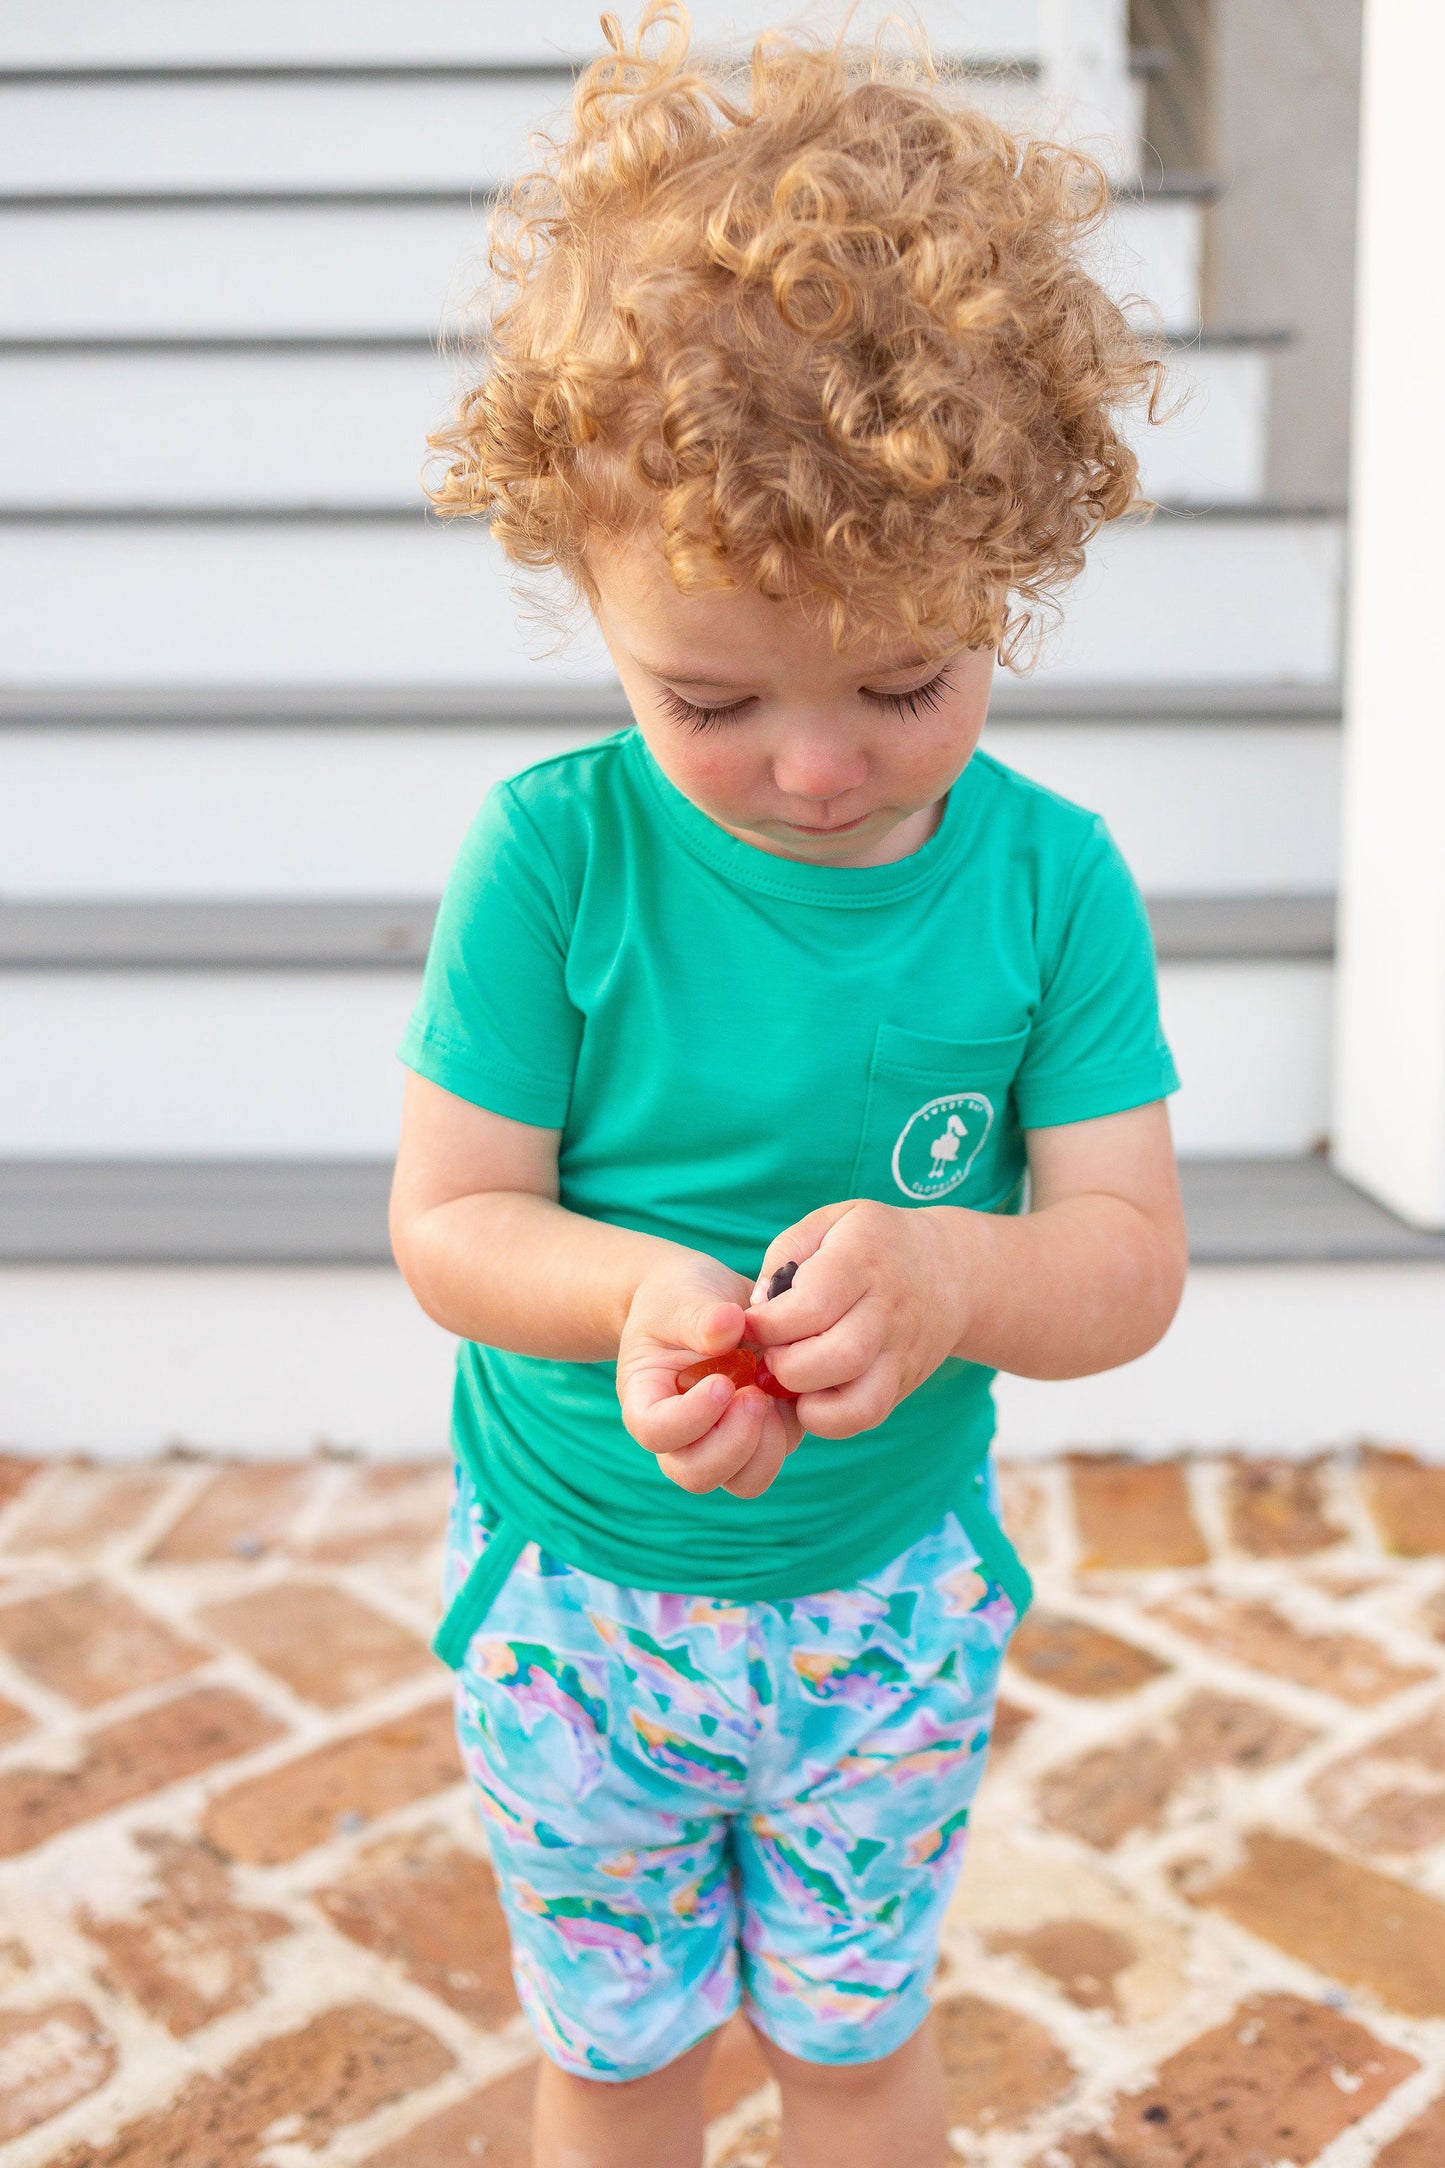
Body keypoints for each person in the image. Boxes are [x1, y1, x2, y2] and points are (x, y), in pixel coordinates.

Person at [389, 8, 1186, 2163]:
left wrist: (950, 1273)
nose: (818, 768)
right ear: (584, 582)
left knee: (852, 2047)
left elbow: (1123, 1265)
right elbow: (451, 1220)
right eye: (714, 696)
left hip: (885, 1609)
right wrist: (631, 1297)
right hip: (575, 1595)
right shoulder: (555, 860)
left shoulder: (1050, 885)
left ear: (1006, 587)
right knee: (621, 2052)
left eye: (906, 680)